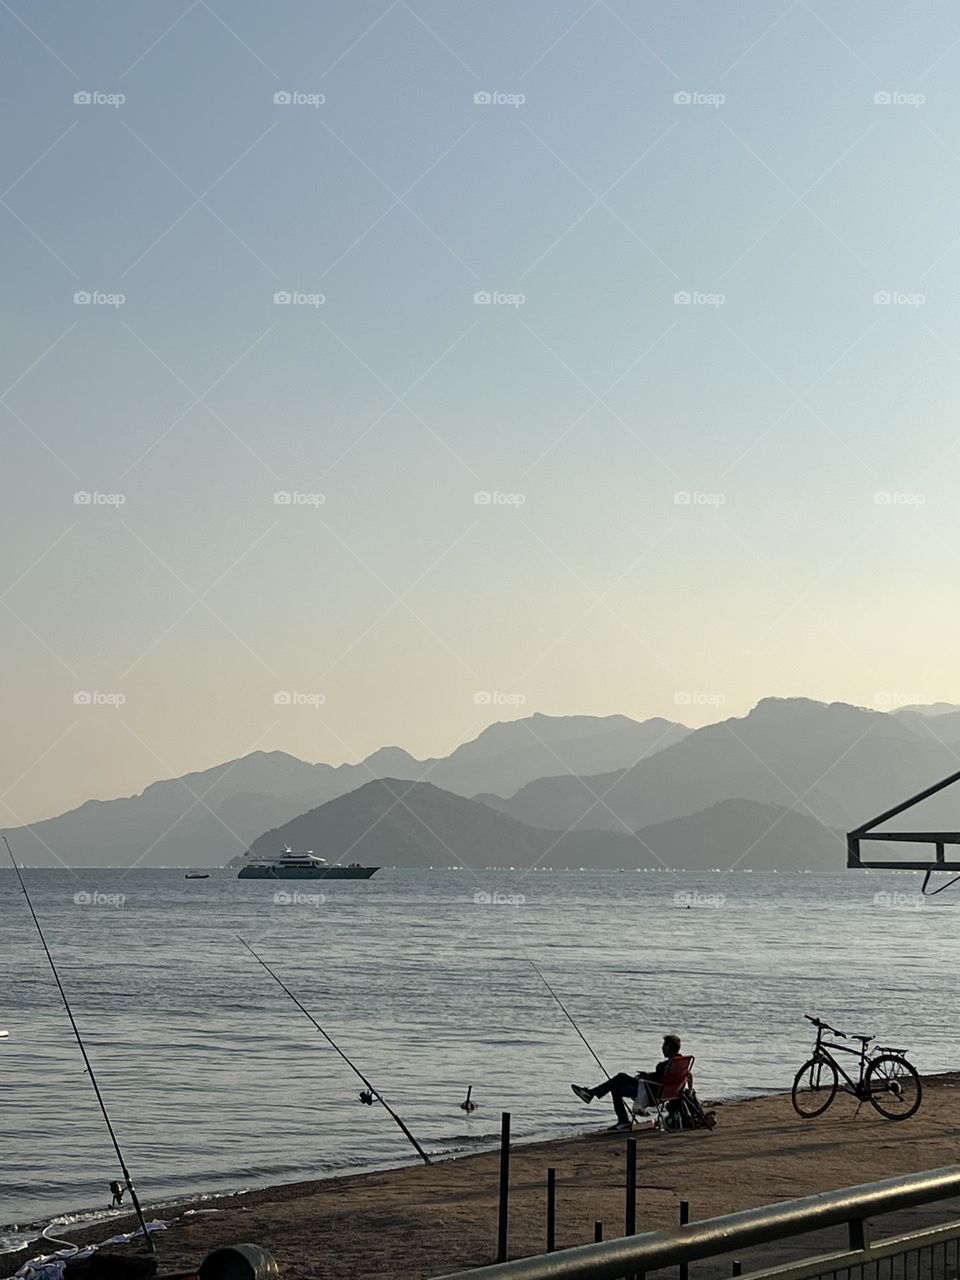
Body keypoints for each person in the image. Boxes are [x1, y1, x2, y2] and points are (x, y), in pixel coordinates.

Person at [571, 1034, 684, 1131]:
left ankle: (593, 1096)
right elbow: (671, 1078)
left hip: (650, 1093)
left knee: (620, 1078)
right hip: (662, 1093)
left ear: (669, 1047)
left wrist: (645, 1077)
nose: (662, 1049)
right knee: (617, 1085)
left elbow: (659, 1079)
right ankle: (592, 1095)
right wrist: (648, 1075)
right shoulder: (681, 1063)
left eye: (664, 1046)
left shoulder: (665, 1065)